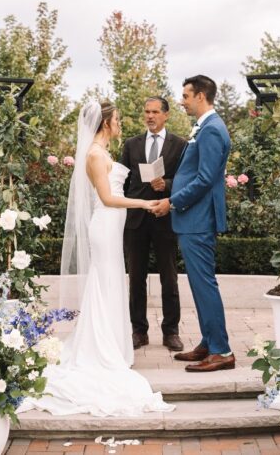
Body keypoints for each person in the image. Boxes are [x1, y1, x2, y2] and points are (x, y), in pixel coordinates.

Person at [22, 101, 173, 416]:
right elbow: (107, 198)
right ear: (105, 123)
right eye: (117, 119)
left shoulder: (102, 152)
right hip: (104, 225)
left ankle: (114, 344)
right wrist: (144, 204)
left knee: (112, 282)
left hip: (112, 226)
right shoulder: (93, 154)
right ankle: (101, 347)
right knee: (105, 284)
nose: (120, 123)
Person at [151, 75, 233, 373]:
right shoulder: (205, 127)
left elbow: (205, 178)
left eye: (186, 96)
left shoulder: (212, 129)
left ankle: (221, 351)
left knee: (204, 284)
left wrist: (172, 202)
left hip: (198, 219)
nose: (182, 101)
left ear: (200, 96)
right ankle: (209, 342)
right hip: (192, 219)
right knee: (199, 285)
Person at [120, 97, 187, 352]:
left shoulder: (180, 144)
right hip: (136, 220)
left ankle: (171, 332)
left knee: (169, 278)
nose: (150, 116)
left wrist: (166, 185)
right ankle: (139, 331)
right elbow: (123, 182)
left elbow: (185, 179)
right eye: (147, 112)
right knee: (136, 278)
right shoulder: (131, 144)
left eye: (155, 112)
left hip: (165, 218)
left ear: (166, 115)